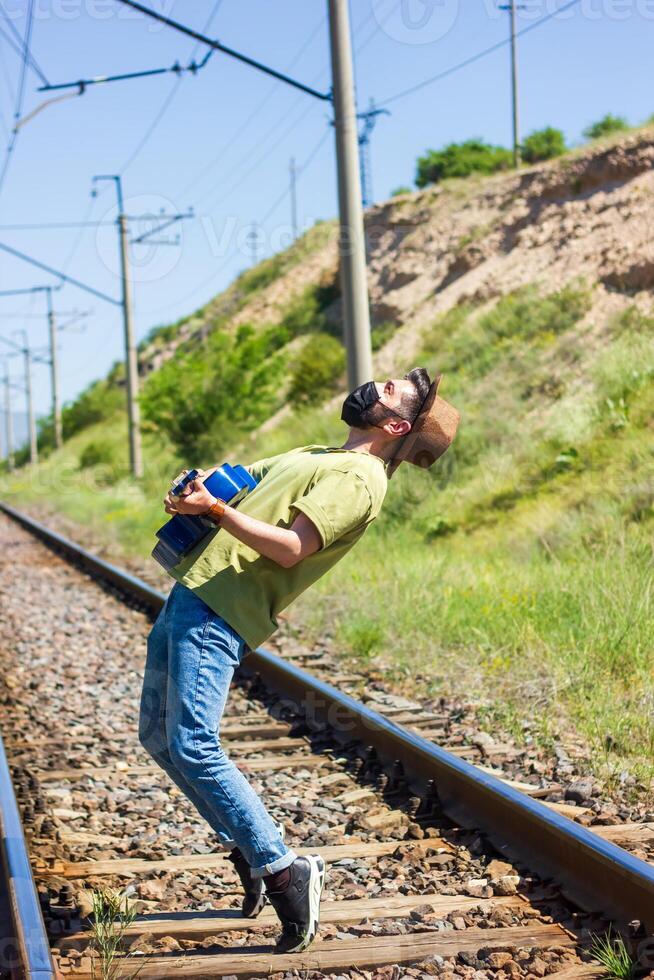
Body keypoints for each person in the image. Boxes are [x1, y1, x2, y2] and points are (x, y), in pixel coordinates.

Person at [138, 368, 459, 953]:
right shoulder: (320, 453)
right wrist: (198, 493)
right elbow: (243, 480)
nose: (374, 384)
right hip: (196, 593)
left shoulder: (360, 478)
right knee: (158, 737)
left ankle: (283, 870)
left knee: (192, 742)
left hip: (221, 610)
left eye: (389, 390)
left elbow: (292, 549)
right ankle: (247, 839)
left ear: (395, 425)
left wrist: (216, 513)